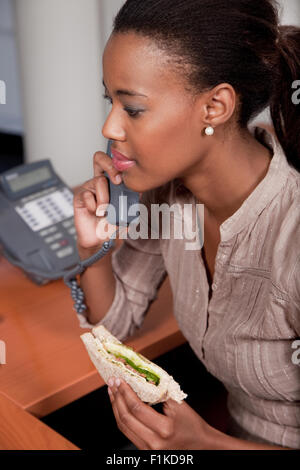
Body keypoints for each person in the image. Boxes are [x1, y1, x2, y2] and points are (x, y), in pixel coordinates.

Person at [73, 0, 300, 450]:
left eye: (133, 109)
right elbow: (115, 327)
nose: (109, 126)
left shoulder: (291, 241)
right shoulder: (168, 196)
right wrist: (93, 248)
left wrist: (204, 444)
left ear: (215, 106)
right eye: (110, 101)